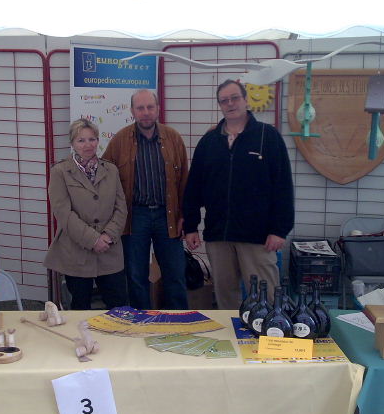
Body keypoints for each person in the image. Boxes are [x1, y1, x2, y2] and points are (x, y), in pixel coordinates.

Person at [183, 79, 294, 309]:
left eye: (235, 98)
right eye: (224, 100)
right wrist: (191, 226)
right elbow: (194, 186)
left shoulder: (268, 137)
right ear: (220, 105)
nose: (230, 104)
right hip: (219, 237)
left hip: (258, 238)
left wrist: (279, 230)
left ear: (245, 100)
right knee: (226, 300)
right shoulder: (209, 142)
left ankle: (268, 332)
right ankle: (232, 333)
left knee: (266, 300)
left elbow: (283, 187)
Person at [103, 89, 189, 310]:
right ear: (132, 111)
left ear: (158, 109)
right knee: (136, 276)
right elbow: (105, 181)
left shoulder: (173, 138)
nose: (146, 112)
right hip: (134, 217)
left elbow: (184, 181)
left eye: (150, 107)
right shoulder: (119, 141)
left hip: (168, 215)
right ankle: (142, 322)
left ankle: (179, 322)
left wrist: (185, 216)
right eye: (140, 108)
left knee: (175, 275)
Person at [44, 119, 128, 310]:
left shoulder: (111, 170)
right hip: (76, 253)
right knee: (79, 308)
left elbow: (121, 207)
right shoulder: (60, 172)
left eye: (92, 139)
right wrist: (93, 240)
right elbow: (63, 213)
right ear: (72, 143)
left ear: (98, 141)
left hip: (109, 250)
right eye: (81, 140)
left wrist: (107, 236)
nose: (87, 145)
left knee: (119, 307)